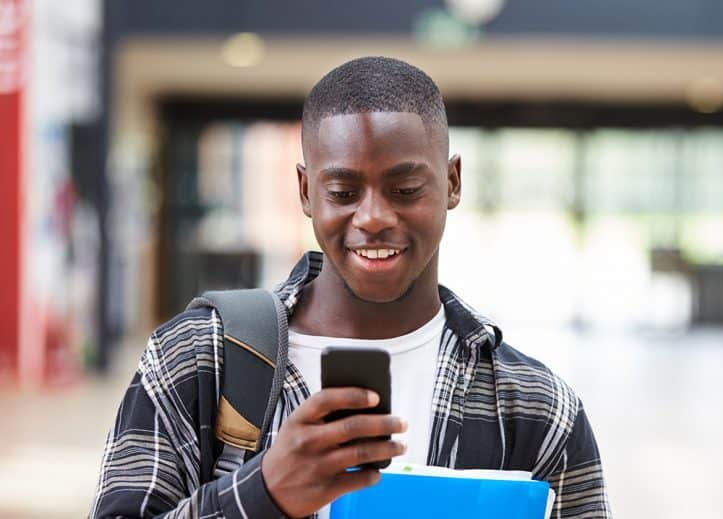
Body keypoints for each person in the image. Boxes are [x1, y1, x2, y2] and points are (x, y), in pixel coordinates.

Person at [90, 56, 610, 518]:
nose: (374, 217)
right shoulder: (198, 359)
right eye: (342, 191)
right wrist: (261, 494)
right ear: (305, 190)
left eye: (405, 189)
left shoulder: (536, 407)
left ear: (452, 182)